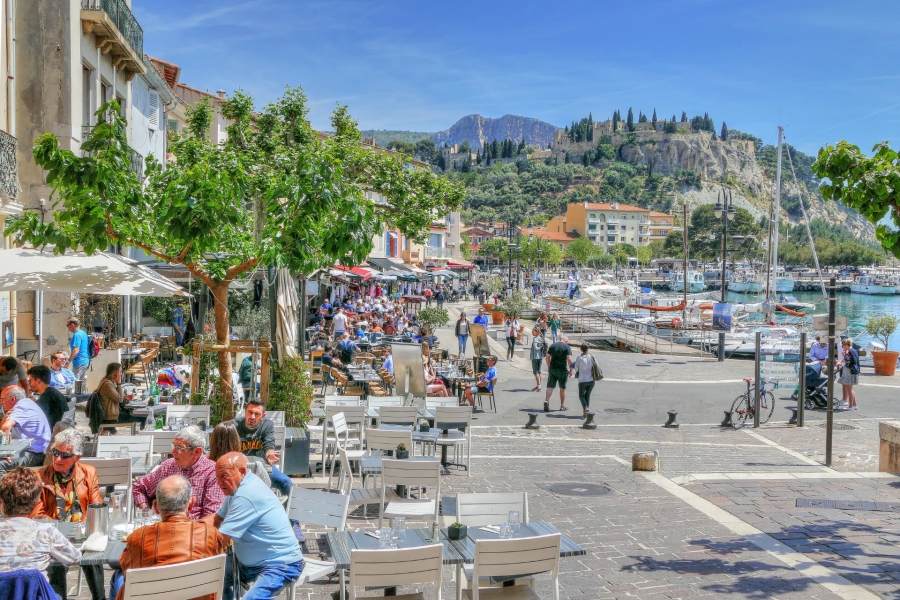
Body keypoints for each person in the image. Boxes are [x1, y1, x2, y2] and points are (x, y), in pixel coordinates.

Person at [109, 475, 228, 600]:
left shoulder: (138, 538)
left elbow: (127, 570)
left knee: (117, 577)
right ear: (191, 504)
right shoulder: (211, 534)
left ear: (155, 507)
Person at [214, 453, 305, 600]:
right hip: (248, 564)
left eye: (224, 476)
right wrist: (191, 527)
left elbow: (220, 540)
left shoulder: (246, 495)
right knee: (210, 577)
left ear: (242, 471)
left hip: (281, 564)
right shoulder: (236, 488)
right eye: (217, 477)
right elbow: (217, 518)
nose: (219, 482)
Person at [37, 429, 106, 600]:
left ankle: (100, 598)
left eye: (65, 455)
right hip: (53, 534)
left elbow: (95, 507)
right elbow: (38, 514)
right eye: (55, 452)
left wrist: (81, 529)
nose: (58, 459)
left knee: (93, 553)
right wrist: (59, 534)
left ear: (77, 457)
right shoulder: (39, 477)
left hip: (81, 532)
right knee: (56, 560)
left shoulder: (88, 472)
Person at [0, 467, 81, 598]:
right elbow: (74, 558)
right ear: (37, 501)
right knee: (57, 586)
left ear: (1, 501)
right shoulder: (46, 532)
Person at [132, 426, 224, 520]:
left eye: (179, 448)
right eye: (173, 446)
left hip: (192, 531)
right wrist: (145, 513)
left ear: (197, 451)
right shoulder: (169, 466)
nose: (173, 451)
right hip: (162, 529)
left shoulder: (212, 472)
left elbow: (212, 517)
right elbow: (139, 487)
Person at [230, 400, 292, 496]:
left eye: (257, 414)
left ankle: (283, 510)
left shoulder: (267, 425)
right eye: (249, 412)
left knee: (286, 482)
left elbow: (269, 444)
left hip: (263, 468)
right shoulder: (233, 426)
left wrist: (270, 455)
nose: (252, 417)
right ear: (245, 412)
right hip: (239, 469)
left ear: (263, 416)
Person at [0, 386, 51, 473]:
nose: (1, 403)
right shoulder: (27, 403)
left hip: (35, 454)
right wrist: (4, 419)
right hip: (32, 448)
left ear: (12, 399)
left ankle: (5, 487)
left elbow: (6, 427)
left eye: (2, 399)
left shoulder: (21, 408)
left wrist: (5, 451)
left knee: (1, 464)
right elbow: (3, 428)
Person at [208, 422, 271, 487]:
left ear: (212, 441)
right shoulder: (248, 465)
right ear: (236, 440)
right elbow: (267, 486)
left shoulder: (206, 466)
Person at [96, 362, 144, 431]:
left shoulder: (106, 382)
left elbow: (115, 397)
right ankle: (143, 438)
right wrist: (119, 383)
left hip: (110, 414)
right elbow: (120, 399)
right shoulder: (107, 384)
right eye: (120, 372)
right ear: (114, 373)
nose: (121, 374)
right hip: (111, 417)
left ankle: (106, 431)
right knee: (142, 417)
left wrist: (125, 397)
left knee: (135, 412)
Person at [26, 365, 68, 432]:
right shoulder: (53, 393)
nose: (29, 384)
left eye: (30, 380)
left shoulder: (47, 396)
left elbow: (35, 416)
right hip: (60, 431)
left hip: (51, 433)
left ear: (38, 381)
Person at [544, 335, 573, 412]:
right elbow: (569, 359)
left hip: (553, 368)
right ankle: (562, 406)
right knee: (562, 388)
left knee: (550, 386)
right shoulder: (567, 347)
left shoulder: (553, 345)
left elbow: (547, 357)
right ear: (566, 341)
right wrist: (571, 369)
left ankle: (546, 400)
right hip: (562, 369)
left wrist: (549, 365)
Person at [570, 344, 598, 419]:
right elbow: (596, 365)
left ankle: (585, 407)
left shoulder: (579, 358)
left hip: (582, 380)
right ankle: (586, 410)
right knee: (587, 395)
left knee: (581, 396)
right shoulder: (592, 357)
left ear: (581, 349)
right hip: (591, 379)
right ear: (587, 349)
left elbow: (576, 368)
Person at [836, 337, 860, 411]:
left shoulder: (849, 351)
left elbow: (849, 361)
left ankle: (850, 406)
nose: (842, 347)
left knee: (850, 389)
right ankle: (854, 405)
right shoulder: (853, 350)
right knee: (851, 389)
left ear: (846, 345)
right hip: (854, 371)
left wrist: (844, 355)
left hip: (850, 371)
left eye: (843, 346)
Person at [66, 317, 91, 381]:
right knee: (80, 383)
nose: (67, 327)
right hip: (85, 361)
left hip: (79, 362)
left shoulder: (76, 335)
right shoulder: (83, 333)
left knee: (74, 382)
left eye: (67, 325)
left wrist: (68, 361)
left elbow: (76, 350)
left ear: (72, 325)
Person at [529, 326, 546, 392]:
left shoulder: (535, 339)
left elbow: (536, 348)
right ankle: (539, 385)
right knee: (539, 371)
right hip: (540, 357)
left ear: (537, 332)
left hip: (535, 357)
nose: (532, 332)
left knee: (535, 372)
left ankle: (539, 386)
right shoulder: (541, 338)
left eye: (534, 331)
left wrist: (540, 347)